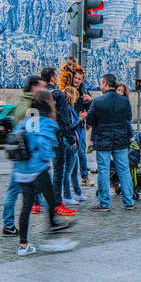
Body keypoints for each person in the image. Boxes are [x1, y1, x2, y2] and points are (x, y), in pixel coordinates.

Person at [14, 89, 73, 256]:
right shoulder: (47, 121)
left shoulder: (27, 118)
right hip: (38, 169)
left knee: (26, 206)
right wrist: (47, 157)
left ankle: (23, 245)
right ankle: (54, 239)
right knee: (53, 202)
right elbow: (43, 144)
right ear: (49, 103)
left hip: (23, 170)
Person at [1, 75, 45, 236]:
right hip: (28, 156)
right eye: (41, 86)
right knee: (36, 190)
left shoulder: (21, 104)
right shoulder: (32, 106)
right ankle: (12, 226)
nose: (44, 89)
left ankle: (9, 224)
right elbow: (33, 132)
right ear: (33, 87)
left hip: (19, 154)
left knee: (14, 190)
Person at [85, 72, 134, 210]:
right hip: (121, 141)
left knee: (103, 171)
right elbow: (128, 118)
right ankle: (129, 201)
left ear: (105, 84)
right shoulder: (124, 101)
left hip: (103, 141)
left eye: (101, 83)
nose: (100, 86)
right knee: (124, 170)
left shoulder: (98, 101)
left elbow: (89, 120)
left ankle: (105, 203)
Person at [38, 67, 78, 217]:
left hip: (41, 136)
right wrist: (71, 138)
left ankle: (36, 203)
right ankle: (57, 203)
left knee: (41, 169)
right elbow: (64, 119)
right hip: (56, 136)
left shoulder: (39, 94)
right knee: (58, 171)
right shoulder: (57, 94)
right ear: (53, 79)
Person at [63, 85, 87, 205]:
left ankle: (78, 193)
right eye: (75, 97)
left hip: (74, 143)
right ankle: (67, 196)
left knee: (73, 171)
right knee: (67, 172)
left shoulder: (69, 109)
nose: (76, 100)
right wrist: (81, 119)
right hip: (70, 143)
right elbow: (70, 127)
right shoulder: (67, 110)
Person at [72, 68, 92, 189]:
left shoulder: (84, 91)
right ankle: (70, 176)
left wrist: (91, 100)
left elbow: (91, 108)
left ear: (82, 80)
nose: (77, 80)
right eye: (75, 78)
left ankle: (85, 176)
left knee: (81, 153)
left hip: (80, 126)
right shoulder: (67, 90)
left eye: (79, 79)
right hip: (69, 126)